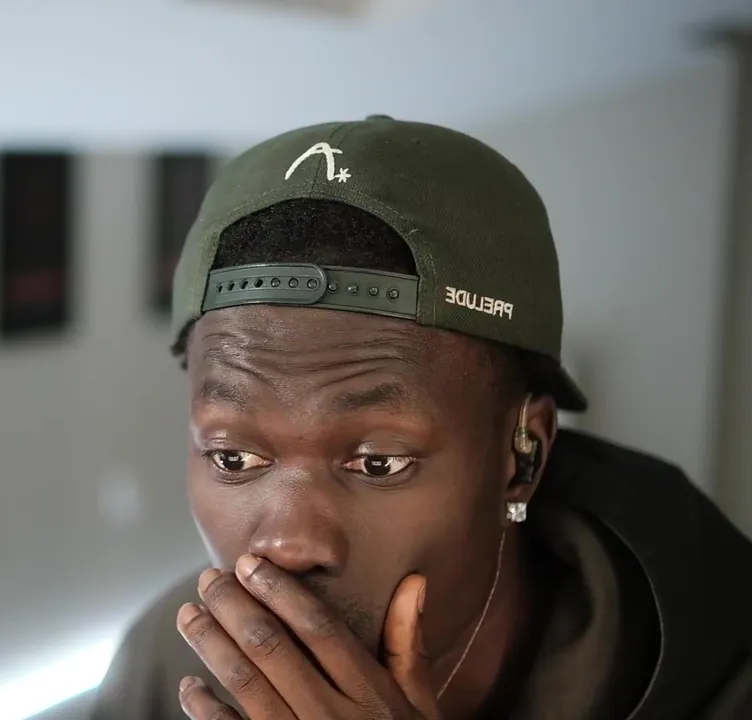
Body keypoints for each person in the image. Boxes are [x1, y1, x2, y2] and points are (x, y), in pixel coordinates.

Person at [90, 116, 752, 720]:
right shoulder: (163, 668)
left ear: (522, 457)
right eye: (233, 458)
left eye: (378, 463)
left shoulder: (719, 670)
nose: (289, 544)